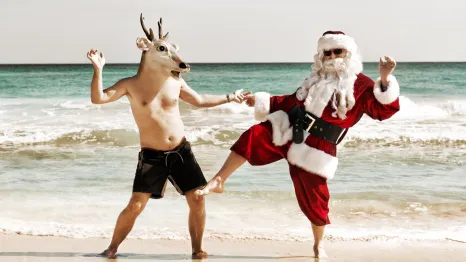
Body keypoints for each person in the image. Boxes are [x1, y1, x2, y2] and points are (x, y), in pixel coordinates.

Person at [195, 31, 401, 258]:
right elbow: (291, 101)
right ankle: (219, 179)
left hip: (318, 148)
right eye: (327, 52)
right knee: (254, 135)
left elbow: (382, 111)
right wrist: (263, 101)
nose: (332, 56)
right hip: (291, 129)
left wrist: (384, 79)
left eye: (337, 51)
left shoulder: (361, 84)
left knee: (315, 201)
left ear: (348, 52)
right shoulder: (315, 79)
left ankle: (318, 244)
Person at [86, 14, 248, 259]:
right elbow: (98, 98)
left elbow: (201, 101)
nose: (172, 55)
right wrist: (98, 70)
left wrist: (229, 97)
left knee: (197, 200)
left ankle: (197, 250)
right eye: (163, 50)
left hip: (181, 151)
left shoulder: (175, 82)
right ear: (145, 49)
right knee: (135, 206)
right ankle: (111, 249)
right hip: (152, 156)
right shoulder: (129, 84)